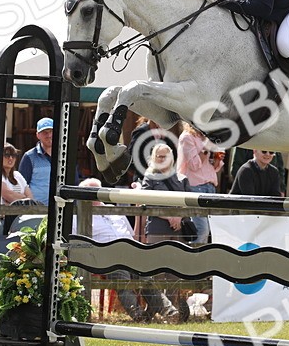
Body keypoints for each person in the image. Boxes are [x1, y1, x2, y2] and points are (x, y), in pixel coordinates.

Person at [78, 177, 179, 323]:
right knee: (122, 280)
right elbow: (80, 243)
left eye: (97, 190)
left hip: (130, 252)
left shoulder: (115, 210)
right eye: (90, 191)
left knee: (146, 278)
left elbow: (131, 234)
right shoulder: (79, 215)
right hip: (106, 256)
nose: (95, 194)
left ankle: (169, 313)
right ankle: (140, 317)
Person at [140, 143, 193, 244]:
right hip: (158, 227)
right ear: (154, 158)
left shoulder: (182, 178)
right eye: (160, 156)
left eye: (166, 156)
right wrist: (169, 217)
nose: (163, 159)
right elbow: (146, 202)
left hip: (180, 228)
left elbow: (189, 202)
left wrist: (179, 217)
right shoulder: (149, 177)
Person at [177, 124, 220, 244]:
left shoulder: (206, 136)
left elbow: (213, 167)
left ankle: (199, 258)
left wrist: (217, 158)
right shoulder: (187, 137)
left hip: (210, 187)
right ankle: (193, 259)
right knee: (201, 230)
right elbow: (194, 165)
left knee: (208, 230)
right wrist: (206, 149)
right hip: (194, 187)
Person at [19, 117, 55, 205]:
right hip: (37, 210)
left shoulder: (64, 156)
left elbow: (74, 182)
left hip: (60, 209)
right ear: (38, 135)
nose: (49, 135)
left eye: (51, 131)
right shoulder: (29, 157)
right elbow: (22, 185)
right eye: (45, 132)